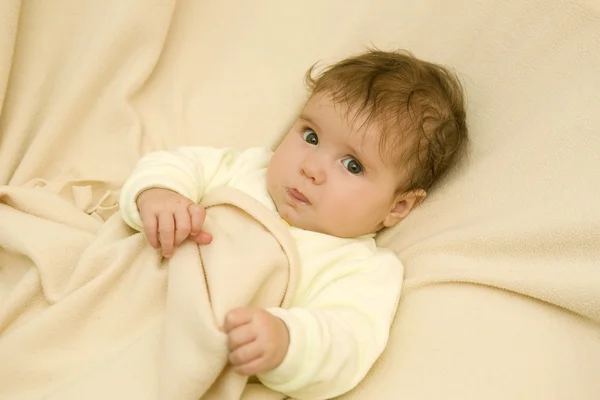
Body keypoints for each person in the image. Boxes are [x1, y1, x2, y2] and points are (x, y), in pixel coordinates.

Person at [119, 48, 468, 400]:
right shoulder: (249, 169)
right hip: (129, 300)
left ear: (399, 206)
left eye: (352, 165)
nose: (311, 168)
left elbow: (347, 340)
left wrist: (286, 341)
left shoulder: (355, 267)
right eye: (311, 137)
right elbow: (176, 164)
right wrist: (158, 195)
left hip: (186, 352)